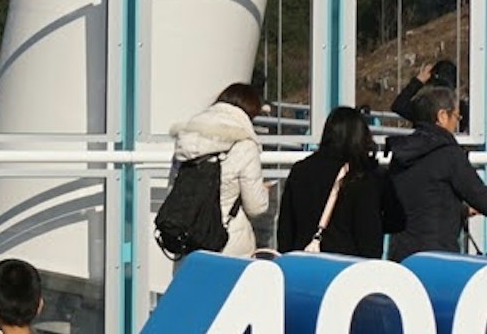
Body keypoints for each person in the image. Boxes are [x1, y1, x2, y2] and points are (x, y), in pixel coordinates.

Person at [381, 80, 487, 261]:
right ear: (442, 116)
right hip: (438, 254)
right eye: (456, 117)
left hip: (401, 254)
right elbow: (481, 198)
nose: (456, 125)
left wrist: (461, 211)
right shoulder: (448, 153)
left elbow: (419, 202)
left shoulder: (401, 153)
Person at [166, 81, 275, 256]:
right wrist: (263, 190)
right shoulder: (244, 143)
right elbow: (256, 207)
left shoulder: (186, 140)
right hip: (228, 239)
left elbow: (173, 189)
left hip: (187, 237)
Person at [272, 104, 389, 259]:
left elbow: (285, 228)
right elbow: (369, 237)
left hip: (302, 261)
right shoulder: (361, 176)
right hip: (346, 267)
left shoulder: (301, 170)